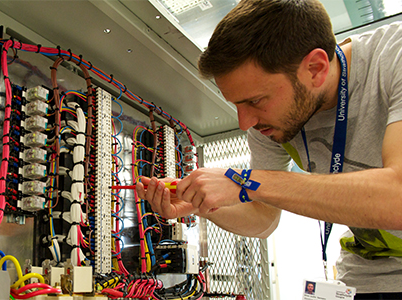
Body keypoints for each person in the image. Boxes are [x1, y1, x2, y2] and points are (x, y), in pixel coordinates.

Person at [135, 0, 402, 297]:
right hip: (368, 280)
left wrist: (247, 182)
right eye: (236, 104)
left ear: (315, 68)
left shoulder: (393, 59)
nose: (245, 122)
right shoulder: (270, 124)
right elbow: (264, 219)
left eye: (255, 100)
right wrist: (204, 204)